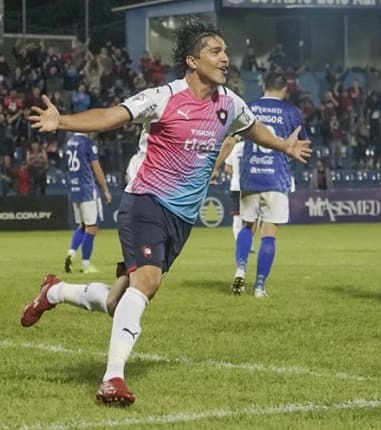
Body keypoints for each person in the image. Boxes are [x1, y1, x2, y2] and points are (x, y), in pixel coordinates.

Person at [21, 21, 311, 407]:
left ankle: (53, 291)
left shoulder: (230, 104)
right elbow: (111, 116)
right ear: (192, 61)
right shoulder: (163, 96)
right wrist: (63, 122)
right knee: (148, 282)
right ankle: (112, 379)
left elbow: (252, 130)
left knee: (117, 301)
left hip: (181, 219)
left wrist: (283, 147)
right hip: (145, 202)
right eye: (215, 51)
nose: (225, 58)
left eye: (225, 51)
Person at [231, 70, 307, 298]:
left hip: (251, 175)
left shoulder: (249, 108)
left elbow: (232, 137)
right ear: (285, 89)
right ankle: (260, 286)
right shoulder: (292, 113)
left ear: (263, 85)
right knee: (269, 233)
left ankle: (241, 268)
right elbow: (303, 144)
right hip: (278, 177)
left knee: (247, 225)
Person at [64, 132, 112, 274]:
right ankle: (86, 265)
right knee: (92, 227)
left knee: (82, 225)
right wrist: (106, 190)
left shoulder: (70, 141)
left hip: (74, 188)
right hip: (87, 189)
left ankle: (71, 254)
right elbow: (97, 169)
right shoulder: (87, 143)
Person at [223, 135, 244, 240]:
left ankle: (238, 242)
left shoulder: (234, 148)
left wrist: (235, 174)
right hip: (251, 186)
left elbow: (227, 169)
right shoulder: (252, 147)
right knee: (251, 217)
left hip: (236, 186)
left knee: (237, 216)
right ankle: (250, 244)